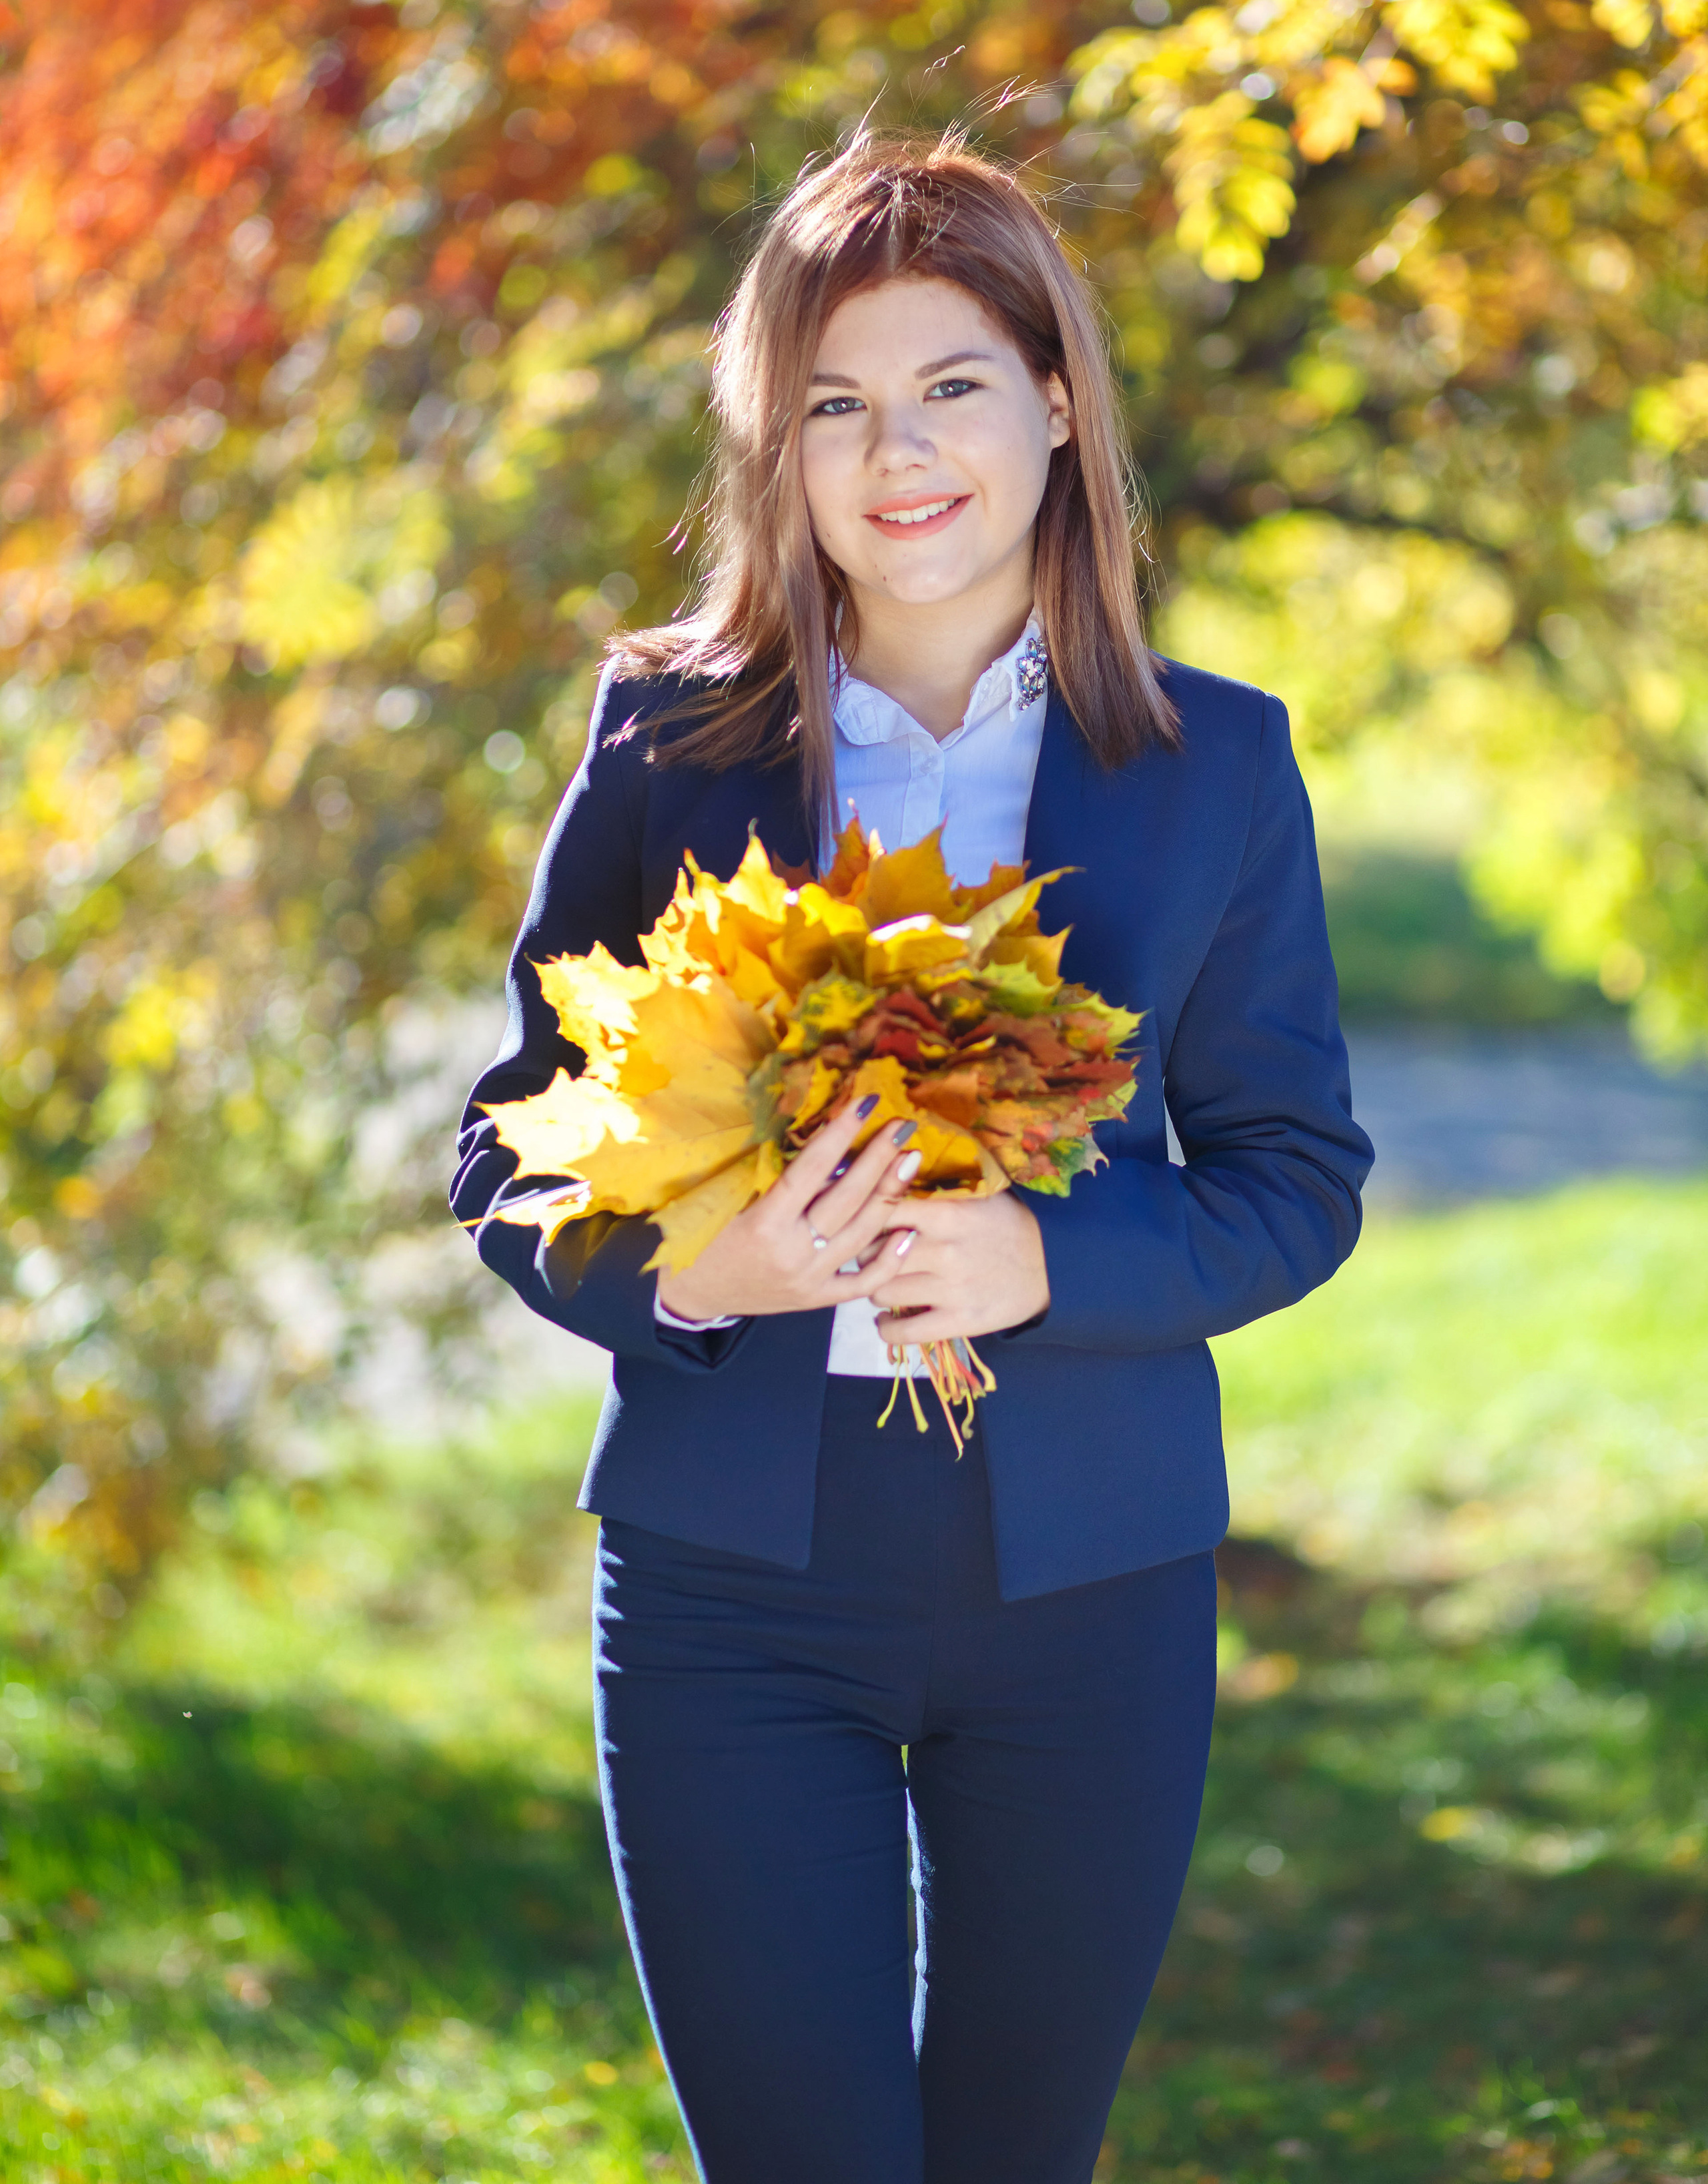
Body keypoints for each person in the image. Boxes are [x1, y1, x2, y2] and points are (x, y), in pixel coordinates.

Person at [452, 132, 1372, 2184]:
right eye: (835, 407)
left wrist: (1055, 1270)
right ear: (777, 449)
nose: (898, 455)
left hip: (1094, 1590)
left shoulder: (1216, 762)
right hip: (731, 1590)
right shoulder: (666, 739)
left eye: (951, 385)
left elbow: (1297, 1174)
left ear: (1057, 400)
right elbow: (504, 1152)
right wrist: (701, 1275)